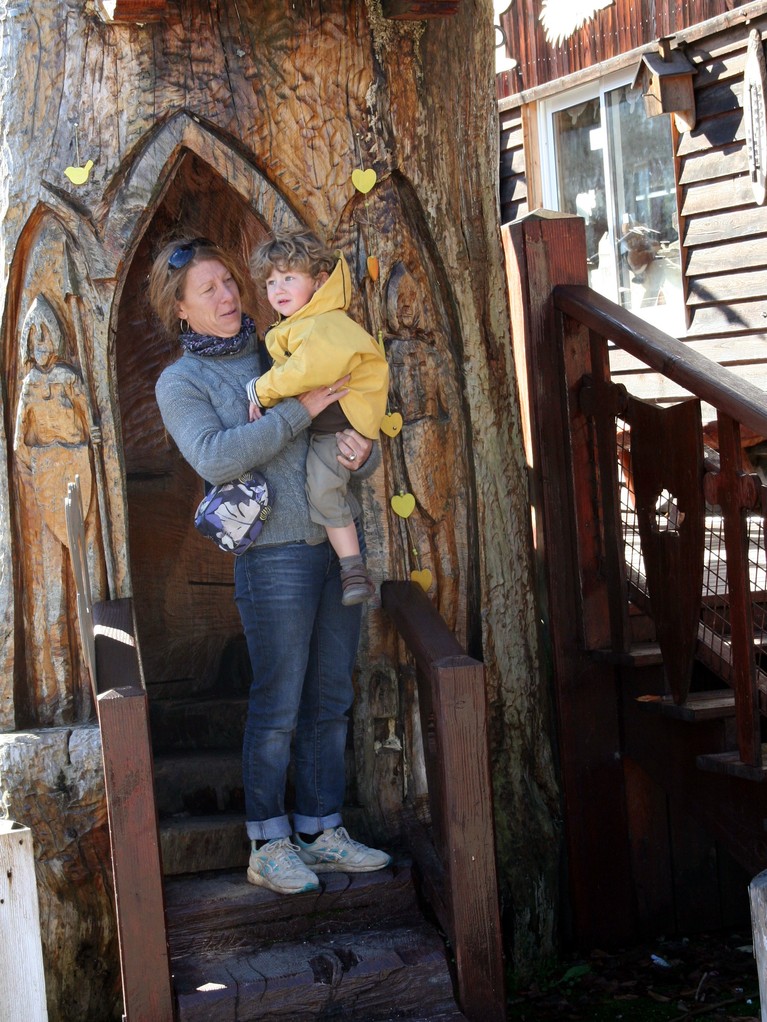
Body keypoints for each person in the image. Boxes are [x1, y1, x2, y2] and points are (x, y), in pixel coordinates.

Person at [150, 235, 391, 896]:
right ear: (181, 311)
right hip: (271, 554)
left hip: (333, 543)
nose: (229, 297)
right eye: (210, 291)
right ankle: (268, 842)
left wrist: (357, 450)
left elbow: (344, 417)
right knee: (280, 703)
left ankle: (321, 831)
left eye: (230, 283)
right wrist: (300, 408)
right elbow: (218, 458)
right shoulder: (181, 381)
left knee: (331, 697)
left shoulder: (284, 342)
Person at [246, 230, 389, 607]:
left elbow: (304, 372)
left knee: (324, 488)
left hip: (341, 427)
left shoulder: (323, 325)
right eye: (271, 281)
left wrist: (259, 391)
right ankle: (351, 568)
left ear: (319, 282)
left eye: (289, 277)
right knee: (323, 485)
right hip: (332, 428)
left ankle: (353, 569)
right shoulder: (304, 324)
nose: (277, 288)